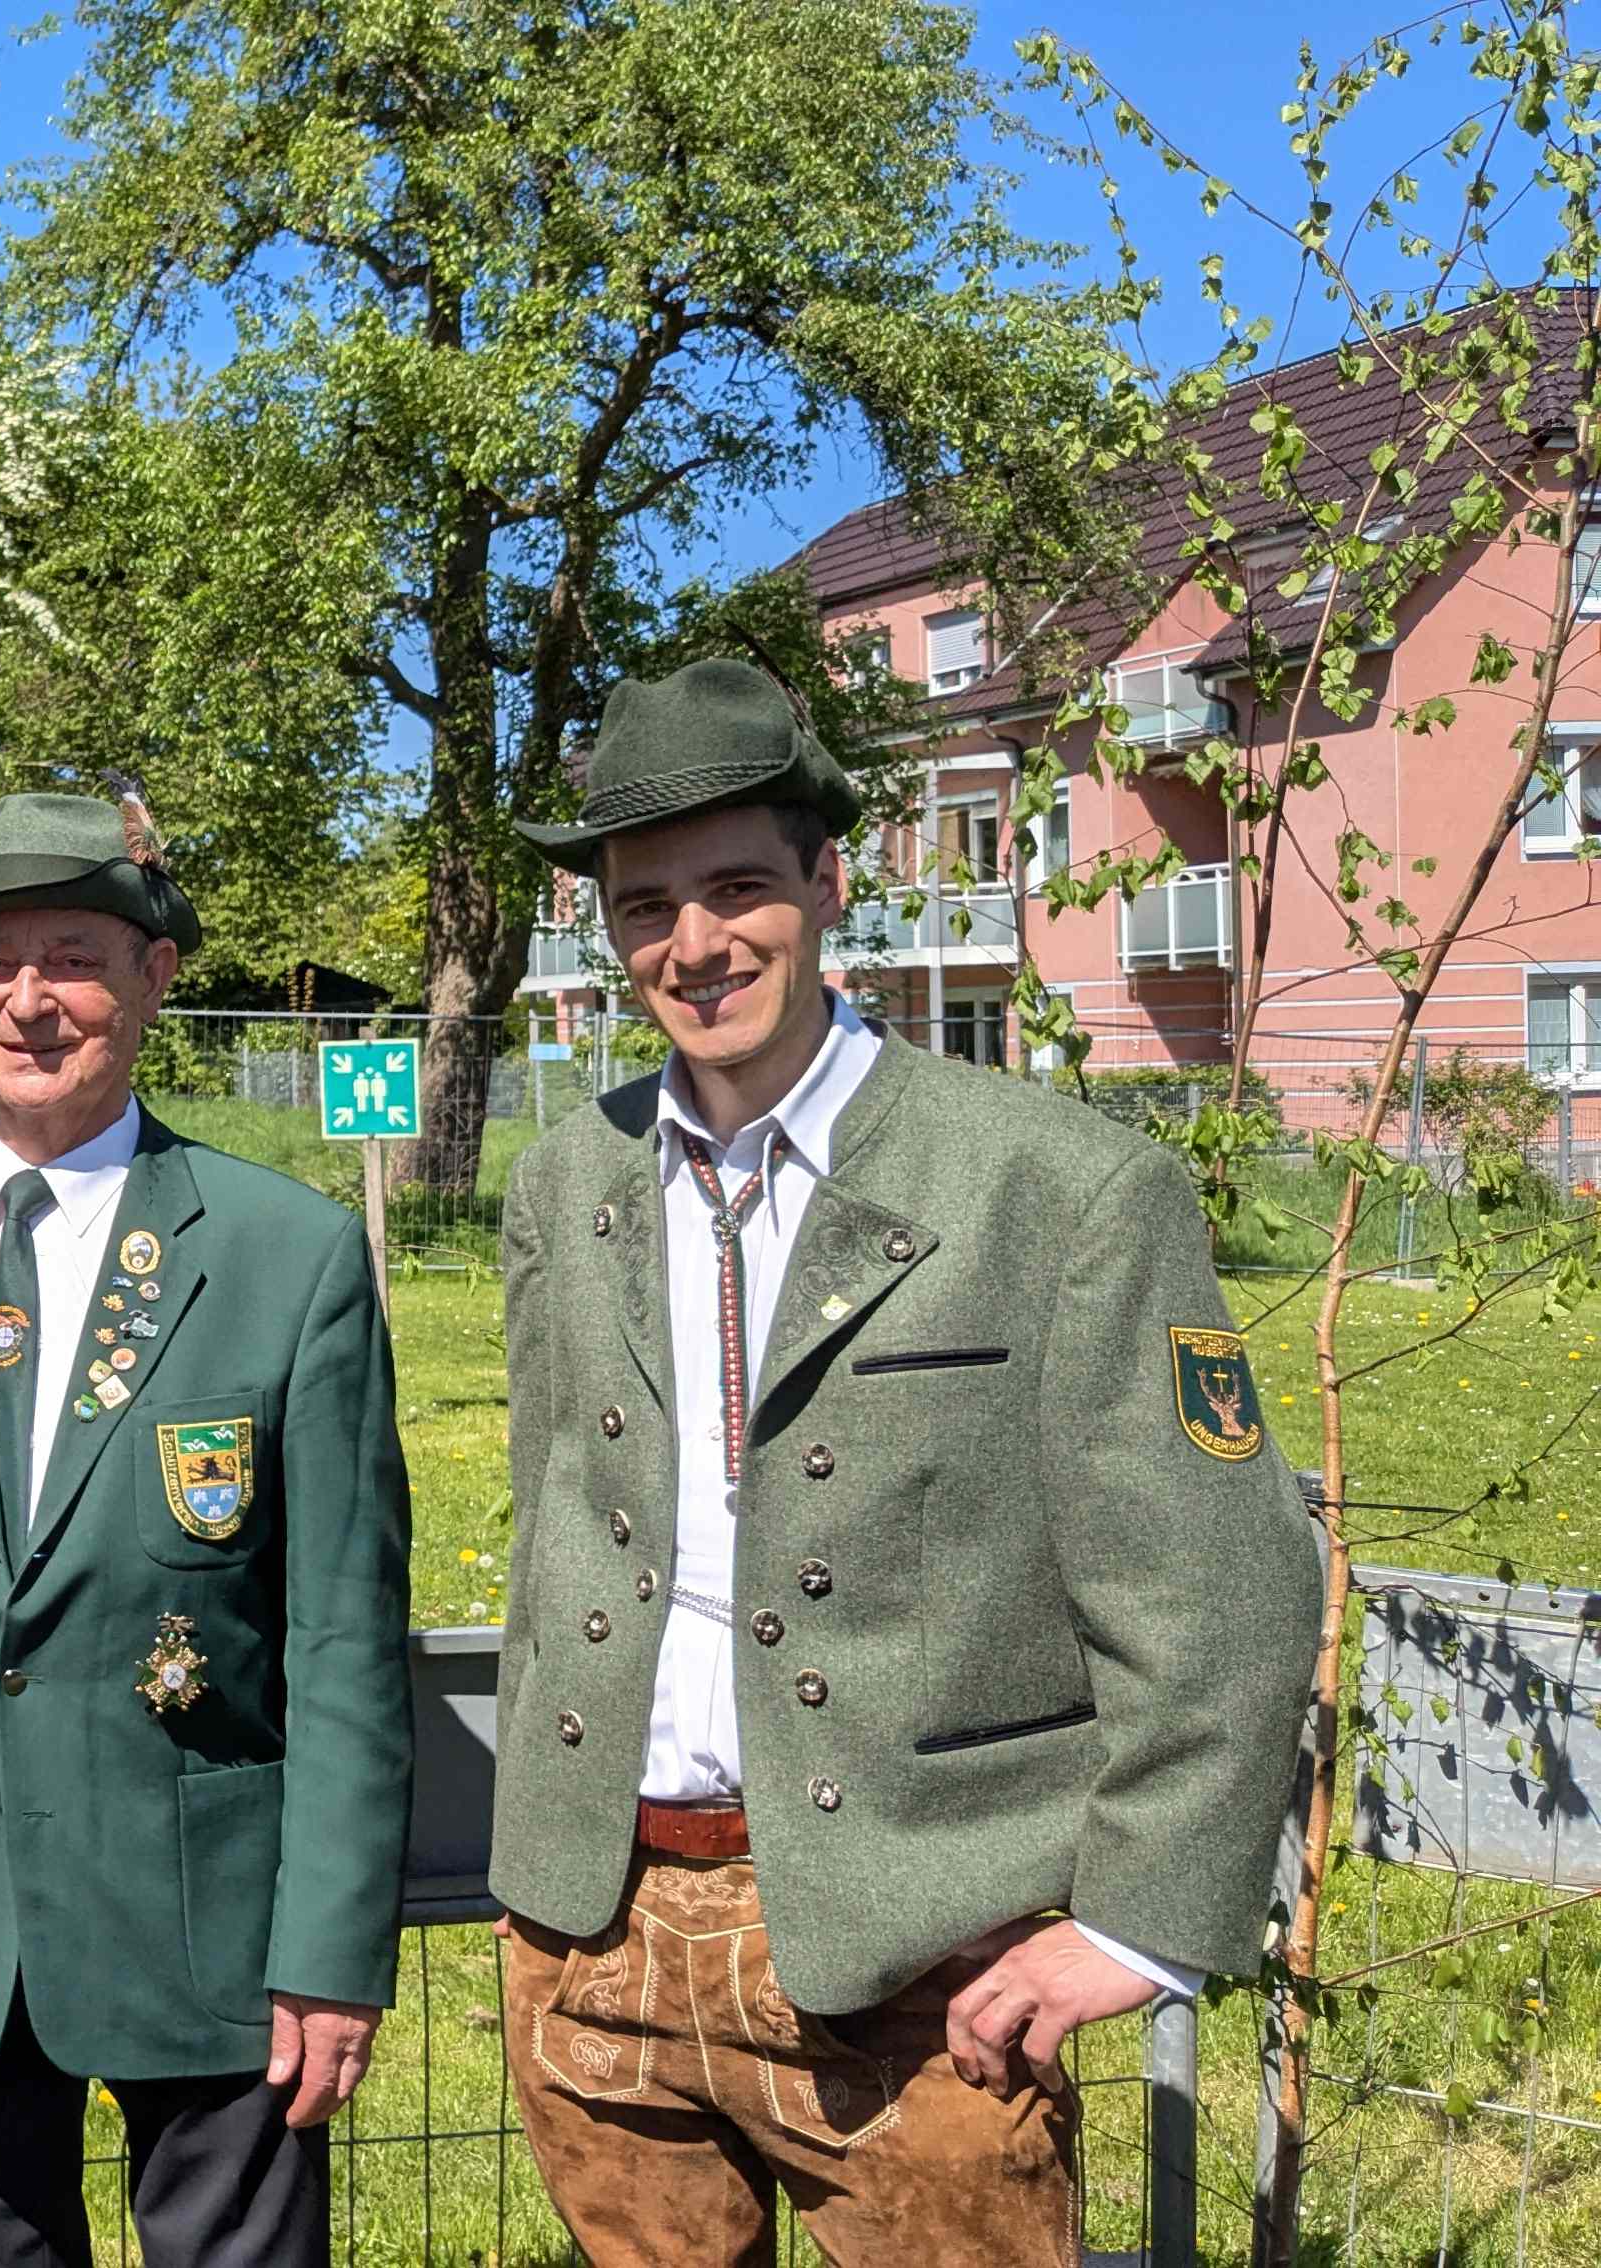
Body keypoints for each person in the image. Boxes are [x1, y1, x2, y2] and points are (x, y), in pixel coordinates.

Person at [493, 657, 1324, 2265]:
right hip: (597, 1939)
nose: (694, 943)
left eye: (739, 887)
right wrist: (538, 1889)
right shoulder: (564, 1182)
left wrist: (1143, 1923)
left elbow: (1218, 1582)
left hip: (926, 1956)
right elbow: (557, 1524)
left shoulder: (1056, 1186)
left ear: (829, 884)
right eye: (646, 904)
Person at [0, 789, 415, 2268]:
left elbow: (345, 1637)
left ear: (154, 977)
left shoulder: (287, 1255)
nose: (28, 1000)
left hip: (211, 1927)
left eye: (74, 960)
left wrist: (331, 1948)